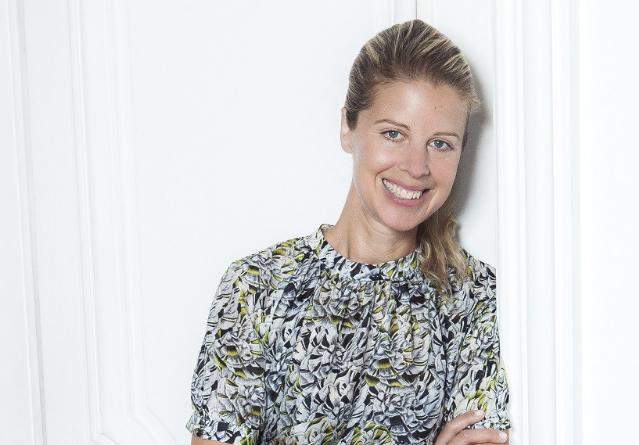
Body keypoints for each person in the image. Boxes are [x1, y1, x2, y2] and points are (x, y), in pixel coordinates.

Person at [187, 19, 511, 445]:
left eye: (440, 144)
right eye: (393, 134)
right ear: (347, 127)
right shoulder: (257, 287)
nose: (416, 167)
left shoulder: (479, 300)